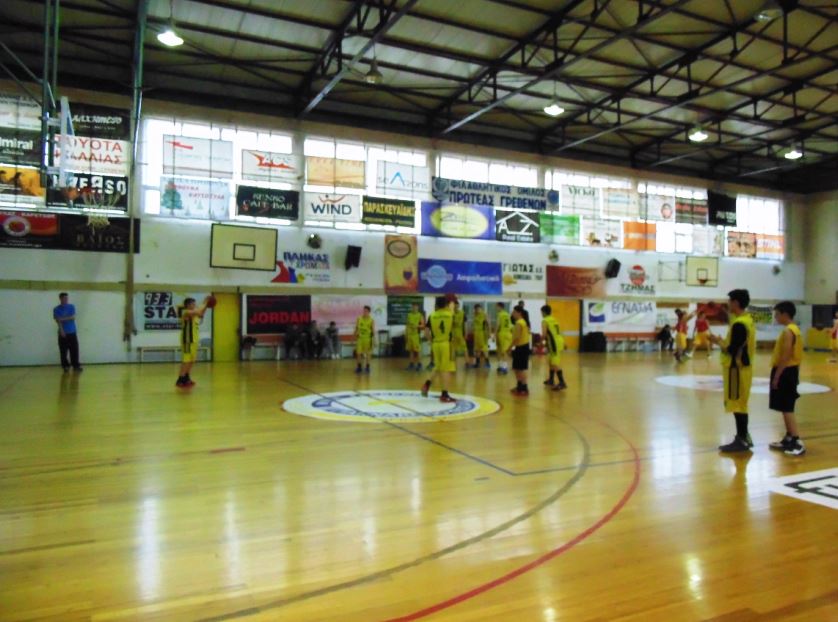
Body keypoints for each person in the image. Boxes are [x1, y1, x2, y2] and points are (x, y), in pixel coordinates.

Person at [709, 289, 756, 453]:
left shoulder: (739, 324)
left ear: (735, 302)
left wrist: (718, 342)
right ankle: (744, 437)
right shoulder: (747, 320)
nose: (728, 304)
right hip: (743, 369)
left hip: (736, 370)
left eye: (729, 301)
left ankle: (742, 439)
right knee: (740, 404)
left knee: (737, 405)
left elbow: (732, 349)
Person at [767, 301, 805, 456]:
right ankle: (789, 438)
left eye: (777, 314)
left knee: (787, 407)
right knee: (784, 406)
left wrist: (777, 376)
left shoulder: (789, 331)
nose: (776, 317)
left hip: (786, 371)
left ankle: (797, 441)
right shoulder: (795, 329)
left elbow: (786, 355)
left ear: (784, 314)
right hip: (790, 370)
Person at [421, 296, 457, 403]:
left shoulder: (432, 316)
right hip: (446, 344)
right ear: (446, 304)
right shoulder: (450, 315)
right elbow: (455, 330)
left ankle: (427, 384)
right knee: (445, 370)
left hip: (435, 344)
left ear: (436, 305)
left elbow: (426, 332)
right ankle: (444, 394)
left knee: (438, 366)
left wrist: (431, 340)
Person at [176, 296, 210, 388]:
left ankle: (186, 377)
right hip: (187, 340)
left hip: (194, 340)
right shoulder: (186, 312)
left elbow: (201, 313)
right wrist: (205, 302)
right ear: (188, 305)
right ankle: (180, 379)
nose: (195, 305)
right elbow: (199, 311)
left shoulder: (194, 315)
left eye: (195, 304)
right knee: (186, 360)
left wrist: (206, 306)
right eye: (193, 304)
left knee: (192, 360)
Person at [53, 292, 82, 372]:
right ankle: (65, 366)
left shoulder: (71, 306)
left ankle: (76, 365)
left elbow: (73, 317)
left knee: (74, 350)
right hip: (63, 333)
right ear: (60, 298)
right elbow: (57, 321)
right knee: (63, 351)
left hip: (72, 332)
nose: (66, 299)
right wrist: (61, 330)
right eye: (65, 298)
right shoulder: (56, 309)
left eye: (67, 298)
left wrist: (62, 318)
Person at [541, 304, 567, 391]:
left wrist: (540, 342)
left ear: (543, 312)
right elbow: (558, 332)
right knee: (551, 361)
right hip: (558, 340)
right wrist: (564, 343)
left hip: (554, 343)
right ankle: (551, 380)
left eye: (541, 312)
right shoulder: (554, 319)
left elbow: (544, 334)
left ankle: (562, 382)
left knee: (555, 363)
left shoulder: (545, 320)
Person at [509, 305, 531, 396]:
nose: (512, 314)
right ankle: (519, 386)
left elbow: (517, 338)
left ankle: (524, 388)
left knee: (521, 369)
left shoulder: (519, 323)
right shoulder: (522, 322)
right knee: (516, 368)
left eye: (514, 312)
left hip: (522, 347)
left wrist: (509, 348)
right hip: (521, 347)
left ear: (519, 313)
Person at [354, 305, 375, 374]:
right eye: (364, 310)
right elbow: (356, 328)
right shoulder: (359, 319)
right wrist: (354, 336)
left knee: (368, 354)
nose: (364, 312)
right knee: (358, 353)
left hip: (368, 339)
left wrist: (374, 339)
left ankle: (367, 367)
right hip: (360, 339)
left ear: (369, 312)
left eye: (366, 311)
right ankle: (359, 367)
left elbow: (373, 330)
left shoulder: (371, 320)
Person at [405, 302, 425, 371]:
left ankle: (419, 365)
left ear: (418, 307)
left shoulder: (420, 315)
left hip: (416, 336)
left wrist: (417, 326)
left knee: (417, 351)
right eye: (413, 307)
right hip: (409, 335)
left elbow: (423, 325)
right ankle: (411, 364)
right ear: (412, 307)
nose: (414, 308)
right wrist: (406, 334)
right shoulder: (409, 315)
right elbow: (407, 325)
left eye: (416, 307)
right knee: (411, 351)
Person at [495, 302, 512, 375]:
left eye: (496, 307)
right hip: (508, 333)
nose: (496, 308)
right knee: (503, 351)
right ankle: (501, 366)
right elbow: (510, 325)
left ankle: (504, 367)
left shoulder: (500, 314)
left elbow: (498, 324)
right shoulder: (507, 314)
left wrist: (494, 333)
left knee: (502, 351)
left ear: (500, 307)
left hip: (502, 333)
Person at [471, 304, 491, 369]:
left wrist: (489, 333)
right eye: (476, 309)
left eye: (478, 309)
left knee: (484, 349)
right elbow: (474, 324)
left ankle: (487, 363)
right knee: (477, 349)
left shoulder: (484, 315)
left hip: (483, 334)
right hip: (476, 334)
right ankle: (477, 363)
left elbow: (489, 324)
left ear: (481, 309)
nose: (477, 310)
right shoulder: (475, 315)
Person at [451, 302, 467, 369]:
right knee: (453, 349)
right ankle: (453, 364)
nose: (456, 307)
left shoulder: (462, 313)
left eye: (457, 306)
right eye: (455, 306)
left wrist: (465, 333)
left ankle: (467, 363)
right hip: (453, 334)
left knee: (465, 349)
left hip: (460, 334)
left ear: (459, 306)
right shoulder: (451, 313)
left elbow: (464, 324)